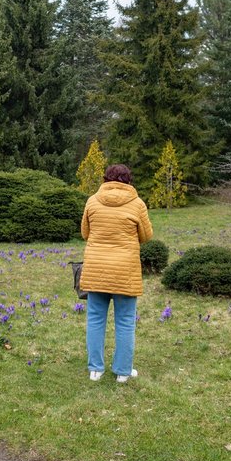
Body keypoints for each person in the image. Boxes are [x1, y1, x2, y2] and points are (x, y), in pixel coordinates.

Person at [80, 164, 153, 383]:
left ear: (106, 179)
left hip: (96, 269)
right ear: (128, 180)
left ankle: (95, 369)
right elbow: (146, 235)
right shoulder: (137, 204)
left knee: (94, 319)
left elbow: (85, 232)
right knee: (125, 321)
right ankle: (122, 371)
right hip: (125, 272)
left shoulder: (92, 201)